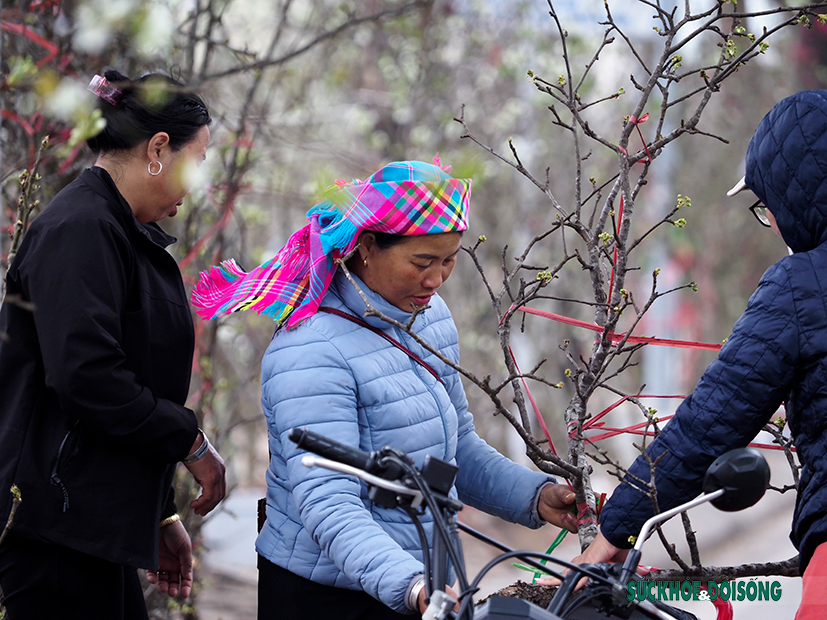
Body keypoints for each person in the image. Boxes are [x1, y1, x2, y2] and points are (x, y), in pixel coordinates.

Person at [192, 160, 578, 619]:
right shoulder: (312, 348)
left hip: (421, 585)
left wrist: (535, 496)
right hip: (330, 597)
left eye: (449, 260)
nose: (435, 279)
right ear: (369, 246)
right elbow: (329, 504)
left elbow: (453, 454)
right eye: (422, 262)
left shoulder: (428, 318)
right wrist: (411, 585)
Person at [548, 90, 827, 619]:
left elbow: (709, 424)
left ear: (797, 196)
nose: (772, 224)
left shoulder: (803, 284)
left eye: (767, 209)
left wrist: (613, 533)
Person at [0, 69, 226, 619]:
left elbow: (128, 379)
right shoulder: (81, 229)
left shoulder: (119, 230)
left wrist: (157, 515)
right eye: (197, 164)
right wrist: (188, 441)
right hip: (51, 533)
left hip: (92, 527)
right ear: (157, 149)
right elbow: (88, 378)